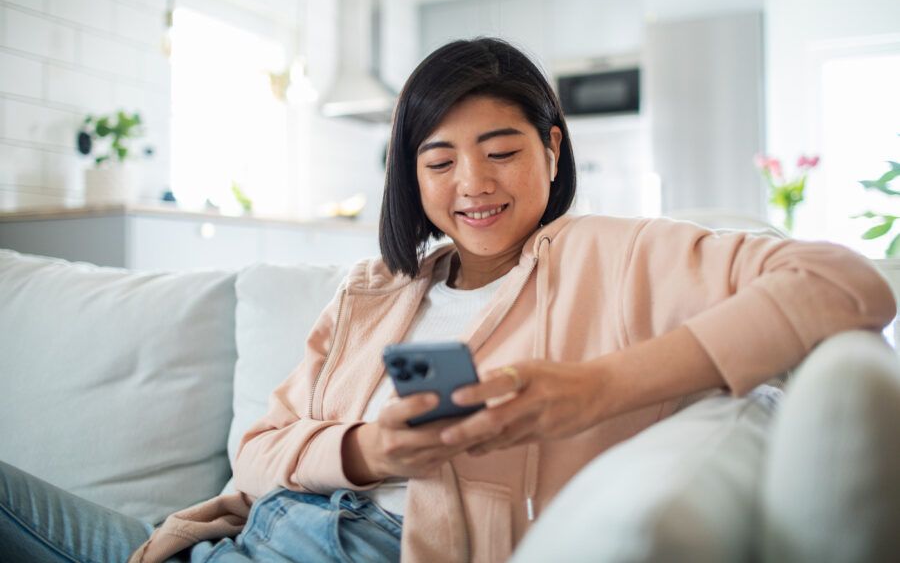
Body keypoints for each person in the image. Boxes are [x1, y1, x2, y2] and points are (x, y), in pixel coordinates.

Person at [0, 37, 895, 563]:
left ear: (552, 148)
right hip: (233, 538)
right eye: (438, 161)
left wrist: (598, 389)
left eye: (501, 149)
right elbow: (261, 449)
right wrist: (364, 448)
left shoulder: (618, 252)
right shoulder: (373, 292)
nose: (473, 183)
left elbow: (851, 283)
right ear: (410, 174)